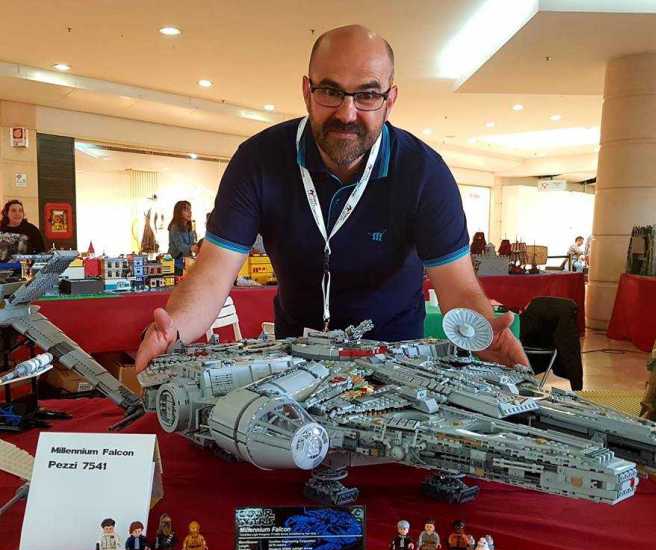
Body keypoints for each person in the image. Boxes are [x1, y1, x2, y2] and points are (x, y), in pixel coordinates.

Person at [136, 25, 527, 372]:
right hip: (294, 359)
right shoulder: (257, 161)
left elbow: (457, 287)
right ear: (307, 92)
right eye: (330, 91)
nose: (347, 112)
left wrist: (484, 335)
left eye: (367, 95)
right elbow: (212, 274)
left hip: (397, 364)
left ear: (390, 100)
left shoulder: (425, 174)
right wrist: (175, 328)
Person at [167, 200, 198, 274]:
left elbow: (193, 244)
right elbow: (180, 246)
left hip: (186, 261)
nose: (190, 212)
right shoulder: (174, 227)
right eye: (186, 210)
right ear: (179, 212)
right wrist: (191, 248)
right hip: (174, 263)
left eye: (190, 210)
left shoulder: (189, 227)